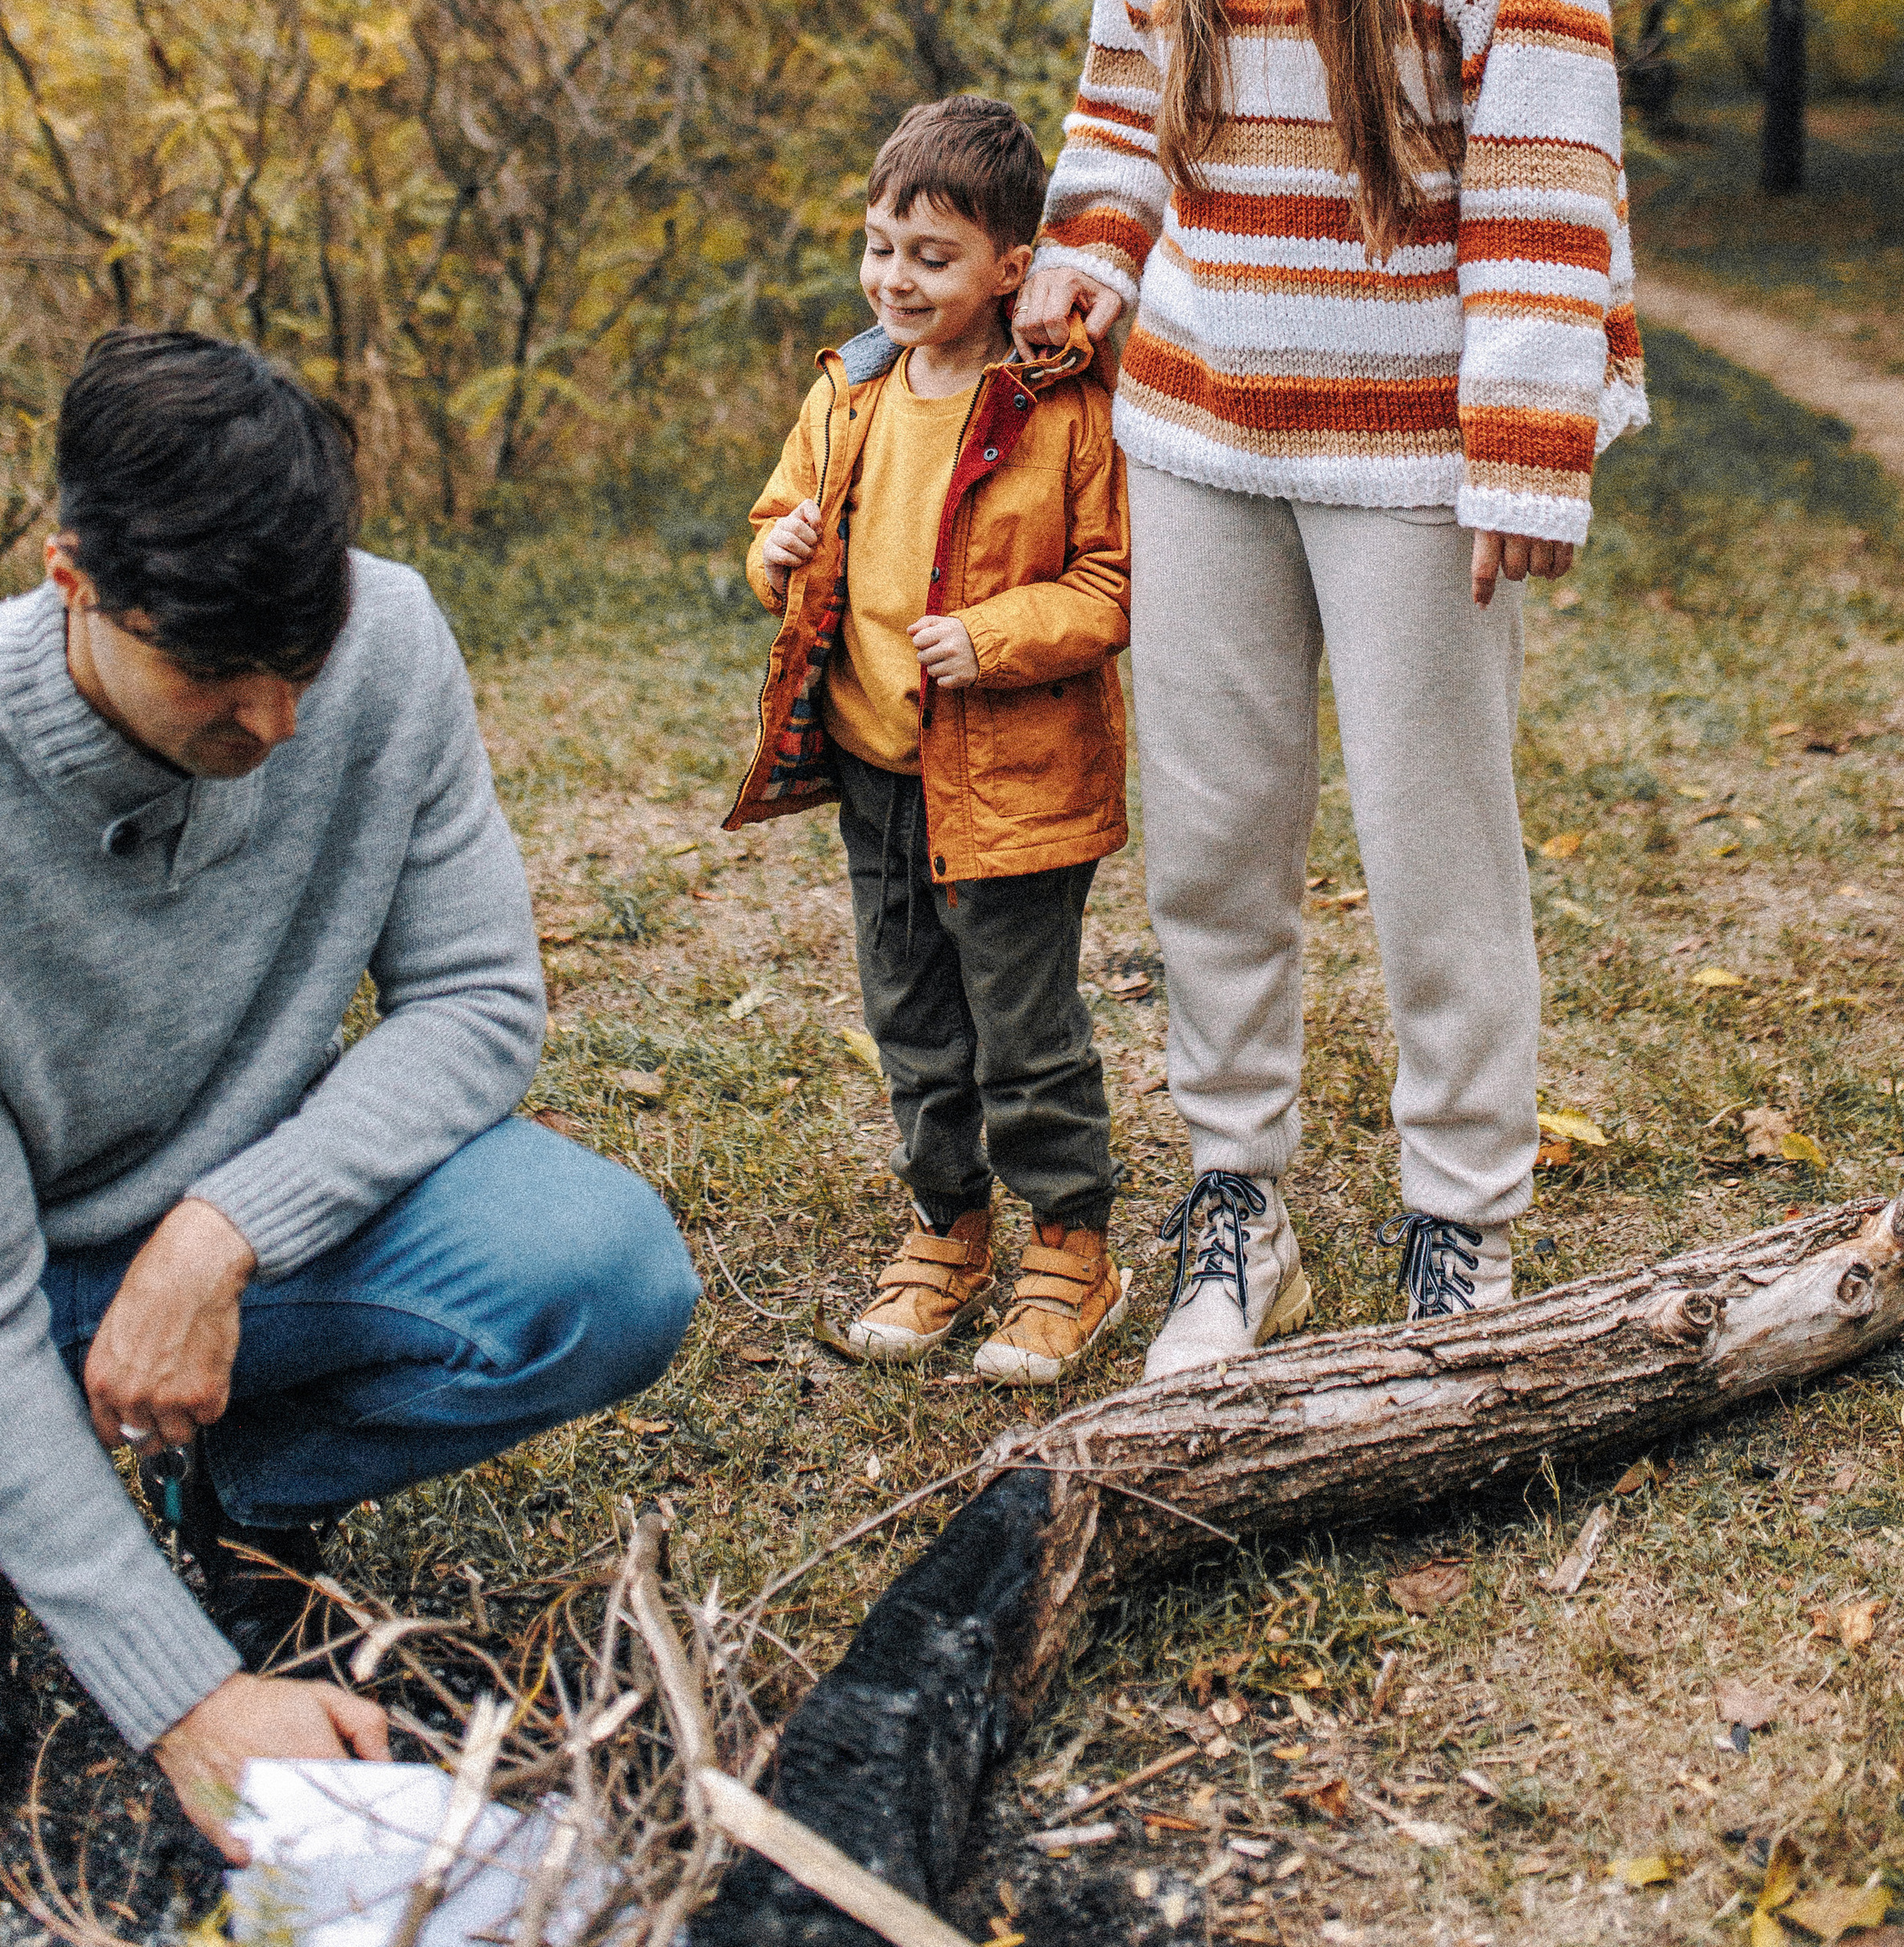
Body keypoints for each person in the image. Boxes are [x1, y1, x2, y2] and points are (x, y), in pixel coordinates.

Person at [1014, 0, 1647, 1374]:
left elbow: (1546, 118)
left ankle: (1461, 1220)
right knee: (1209, 832)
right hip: (1199, 413)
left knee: (1433, 838)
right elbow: (1125, 83)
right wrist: (1084, 261)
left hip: (1405, 441)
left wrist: (1527, 431)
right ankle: (1241, 1207)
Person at [0, 330, 699, 1856]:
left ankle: (237, 1490)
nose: (276, 726)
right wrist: (188, 1701)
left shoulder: (388, 636)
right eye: (215, 677)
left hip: (252, 1240)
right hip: (20, 1293)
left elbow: (478, 998)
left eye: (299, 663)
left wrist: (218, 1235)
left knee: (602, 1269)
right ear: (74, 584)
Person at [727, 95, 1132, 1386]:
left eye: (932, 257)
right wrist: (774, 554)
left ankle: (1071, 1246)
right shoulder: (848, 393)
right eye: (881, 247)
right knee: (911, 1014)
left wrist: (996, 635)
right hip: (876, 770)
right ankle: (948, 1229)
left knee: (1024, 1024)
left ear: (1013, 270)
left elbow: (1109, 589)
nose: (895, 280)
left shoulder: (1057, 412)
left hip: (1014, 785)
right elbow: (779, 527)